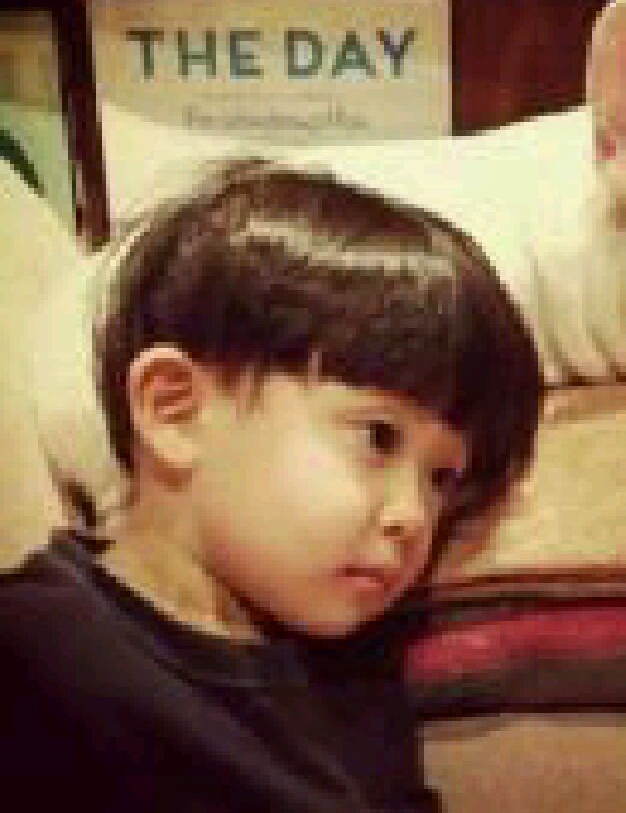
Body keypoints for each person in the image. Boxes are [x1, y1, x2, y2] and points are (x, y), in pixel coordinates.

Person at [0, 159, 543, 812]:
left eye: (441, 479)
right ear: (175, 411)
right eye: (378, 437)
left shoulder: (353, 664)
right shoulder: (38, 652)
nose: (414, 516)